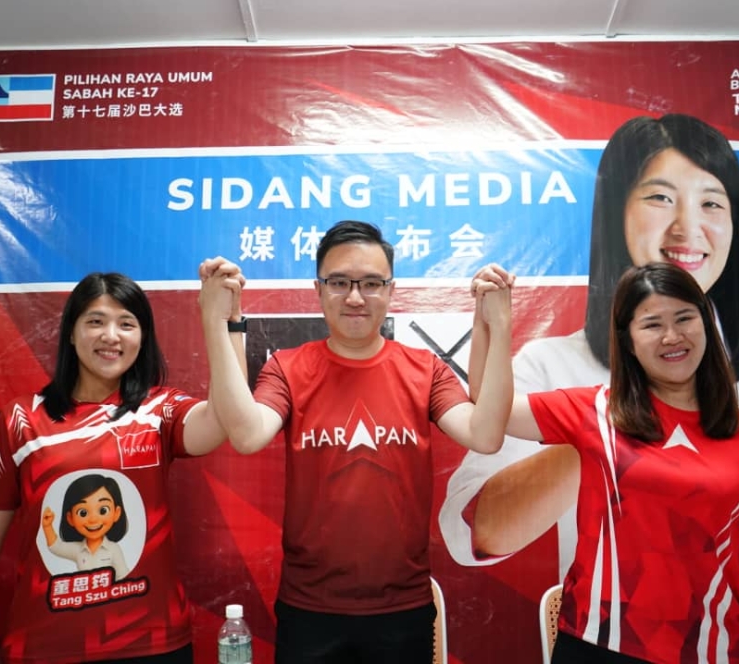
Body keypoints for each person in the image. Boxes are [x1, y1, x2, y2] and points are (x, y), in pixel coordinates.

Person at [439, 114, 739, 595]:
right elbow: (474, 532)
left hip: (733, 639)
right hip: (615, 630)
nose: (687, 227)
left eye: (712, 202)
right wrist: (597, 428)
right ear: (616, 211)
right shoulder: (556, 373)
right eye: (660, 197)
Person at [199, 220, 514, 664]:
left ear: (390, 290)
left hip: (402, 609)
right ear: (318, 288)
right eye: (339, 282)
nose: (354, 297)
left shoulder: (425, 370)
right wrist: (218, 321)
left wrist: (498, 325)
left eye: (370, 283)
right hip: (309, 610)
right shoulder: (288, 368)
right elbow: (248, 434)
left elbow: (484, 434)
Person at [472, 261, 739, 664]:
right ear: (628, 340)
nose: (672, 336)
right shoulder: (596, 410)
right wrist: (490, 323)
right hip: (598, 645)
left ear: (706, 322)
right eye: (652, 324)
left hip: (707, 650)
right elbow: (488, 405)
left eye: (685, 318)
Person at [0, 265, 245, 664]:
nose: (111, 336)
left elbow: (230, 418)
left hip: (153, 645)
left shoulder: (159, 410)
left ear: (142, 339)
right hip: (42, 647)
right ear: (71, 334)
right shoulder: (22, 420)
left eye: (127, 323)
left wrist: (227, 322)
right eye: (95, 321)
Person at [42, 474, 131, 580]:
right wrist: (47, 526)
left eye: (103, 510)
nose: (93, 520)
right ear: (70, 518)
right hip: (84, 594)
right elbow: (57, 547)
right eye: (83, 513)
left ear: (116, 513)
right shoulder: (78, 550)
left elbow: (123, 575)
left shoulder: (113, 549)